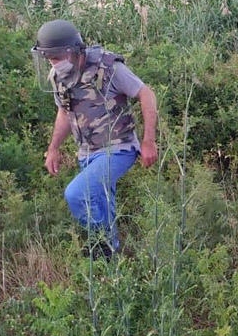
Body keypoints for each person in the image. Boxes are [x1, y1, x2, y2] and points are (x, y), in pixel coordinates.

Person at [32, 19, 158, 259]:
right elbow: (64, 113)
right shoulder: (59, 76)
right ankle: (111, 265)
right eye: (48, 58)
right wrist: (53, 148)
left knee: (76, 194)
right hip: (87, 152)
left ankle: (101, 247)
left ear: (73, 51)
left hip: (118, 148)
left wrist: (148, 140)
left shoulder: (109, 67)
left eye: (56, 58)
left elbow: (146, 93)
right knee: (100, 205)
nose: (52, 63)